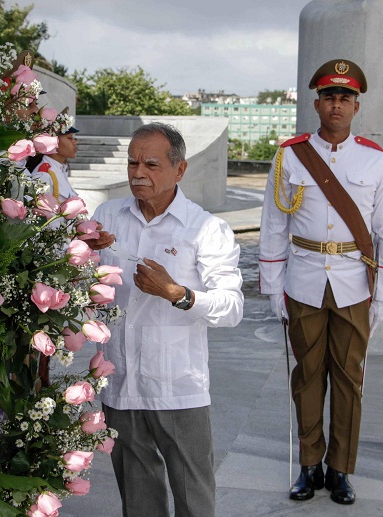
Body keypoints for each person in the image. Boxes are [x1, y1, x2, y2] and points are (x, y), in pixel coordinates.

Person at [258, 59, 383, 505]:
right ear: (316, 103)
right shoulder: (290, 154)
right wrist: (271, 285)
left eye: (345, 98)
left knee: (348, 379)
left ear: (356, 106)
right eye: (329, 97)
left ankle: (340, 469)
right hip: (303, 280)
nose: (336, 105)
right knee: (307, 376)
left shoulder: (376, 160)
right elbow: (273, 223)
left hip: (354, 282)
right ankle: (308, 465)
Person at [84, 122, 244, 517]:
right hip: (120, 380)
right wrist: (83, 258)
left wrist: (177, 293)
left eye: (152, 164)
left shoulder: (206, 228)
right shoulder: (108, 215)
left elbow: (232, 306)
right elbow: (85, 287)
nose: (139, 173)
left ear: (180, 169)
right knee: (138, 502)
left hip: (178, 386)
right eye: (133, 163)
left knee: (194, 499)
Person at [28, 110, 80, 202]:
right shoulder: (43, 174)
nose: (75, 142)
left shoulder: (60, 169)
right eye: (69, 138)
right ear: (53, 141)